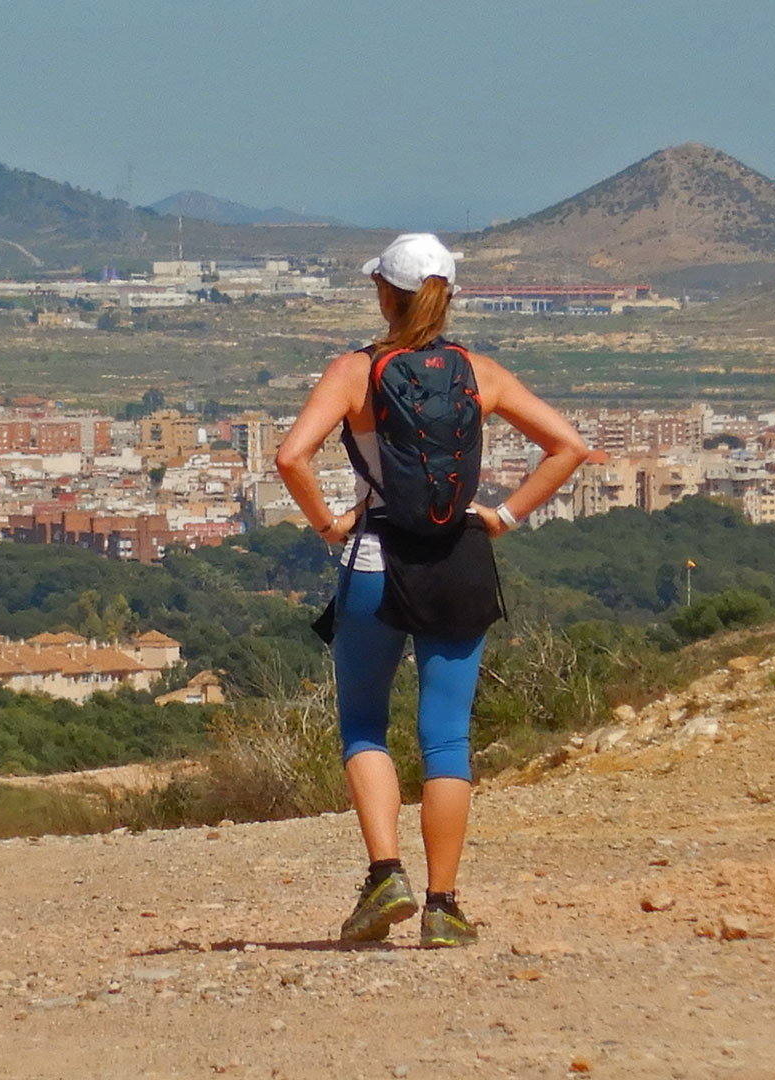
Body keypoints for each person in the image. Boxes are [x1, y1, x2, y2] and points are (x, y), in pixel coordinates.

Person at [274, 233, 590, 947]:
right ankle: (445, 907)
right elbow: (568, 445)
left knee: (364, 724)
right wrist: (505, 516)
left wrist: (329, 522)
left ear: (384, 293)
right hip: (459, 560)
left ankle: (385, 873)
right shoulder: (479, 372)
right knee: (446, 739)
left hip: (375, 557)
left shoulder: (355, 371)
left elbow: (292, 455)